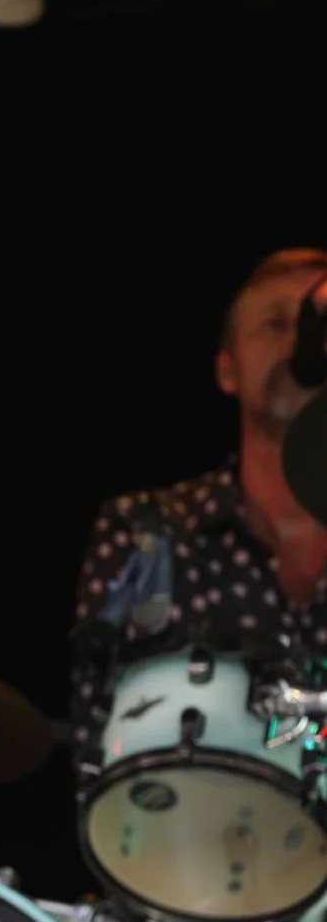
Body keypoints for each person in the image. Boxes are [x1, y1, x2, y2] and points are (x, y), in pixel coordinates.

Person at [74, 247, 327, 660]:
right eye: (276, 323)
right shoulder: (146, 528)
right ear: (227, 370)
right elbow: (106, 711)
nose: (304, 343)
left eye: (321, 326)